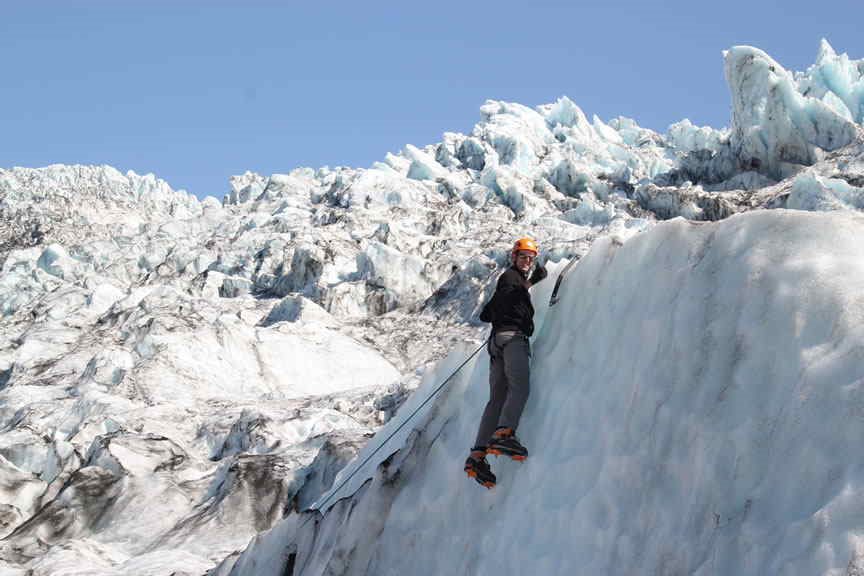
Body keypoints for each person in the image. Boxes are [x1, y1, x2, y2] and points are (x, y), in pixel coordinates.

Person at [464, 237, 547, 488]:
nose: (527, 261)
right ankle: (504, 433)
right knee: (520, 387)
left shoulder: (509, 282)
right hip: (512, 340)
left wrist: (529, 283)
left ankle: (477, 456)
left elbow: (487, 313)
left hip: (496, 343)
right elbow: (513, 293)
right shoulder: (511, 279)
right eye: (523, 256)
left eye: (530, 258)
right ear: (514, 257)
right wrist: (528, 285)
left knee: (497, 399)